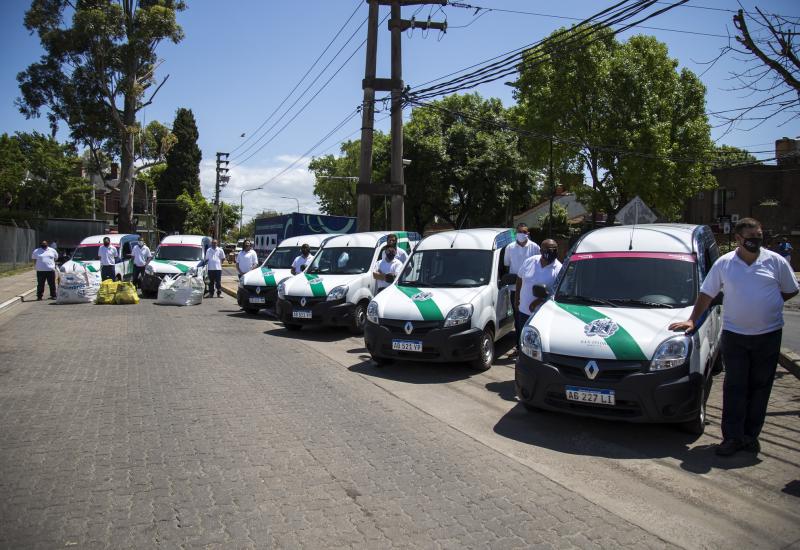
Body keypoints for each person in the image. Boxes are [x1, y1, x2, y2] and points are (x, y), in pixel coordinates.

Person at [669, 218, 799, 457]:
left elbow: (791, 289)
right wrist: (692, 320)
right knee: (735, 387)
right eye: (751, 237)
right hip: (735, 336)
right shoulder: (725, 264)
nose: (756, 241)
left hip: (768, 336)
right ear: (738, 239)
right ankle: (732, 437)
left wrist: (770, 303)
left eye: (759, 236)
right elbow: (707, 294)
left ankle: (750, 437)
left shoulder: (775, 261)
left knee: (760, 388)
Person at [515, 239, 562, 333]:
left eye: (554, 249)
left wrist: (538, 301)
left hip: (543, 315)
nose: (552, 252)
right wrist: (516, 299)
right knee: (522, 339)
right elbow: (519, 278)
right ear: (541, 250)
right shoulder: (530, 261)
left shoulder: (559, 269)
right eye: (549, 249)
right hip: (524, 311)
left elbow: (557, 292)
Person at [505, 223, 541, 343]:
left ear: (528, 233)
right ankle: (518, 345)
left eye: (524, 232)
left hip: (530, 289)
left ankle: (531, 344)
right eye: (519, 231)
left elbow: (539, 265)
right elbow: (506, 265)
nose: (522, 234)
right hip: (515, 288)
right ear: (516, 233)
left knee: (531, 317)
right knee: (517, 317)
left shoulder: (535, 247)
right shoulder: (509, 248)